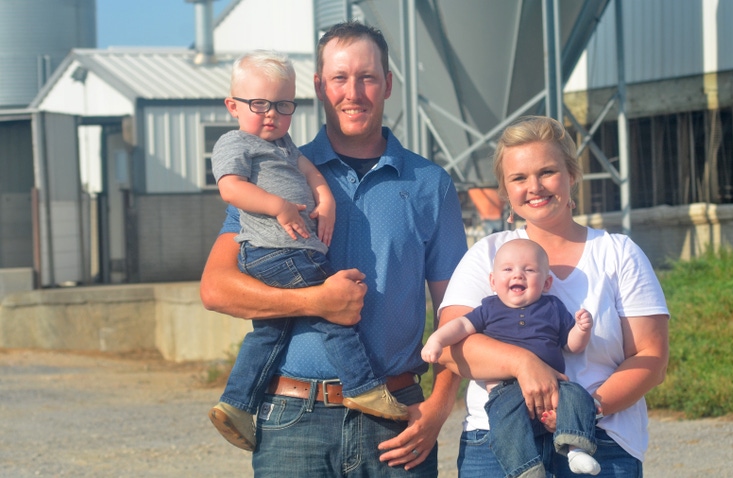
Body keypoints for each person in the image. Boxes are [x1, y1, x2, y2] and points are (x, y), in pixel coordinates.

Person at [199, 21, 468, 477]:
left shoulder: (430, 185)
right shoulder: (270, 172)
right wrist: (313, 301)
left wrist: (439, 406)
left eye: (367, 77)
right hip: (291, 418)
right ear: (320, 87)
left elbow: (457, 311)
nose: (354, 92)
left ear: (388, 85)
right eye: (340, 78)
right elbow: (216, 289)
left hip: (397, 417)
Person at [436, 116, 670, 477]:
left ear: (571, 176)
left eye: (547, 172)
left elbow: (651, 357)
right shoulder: (487, 254)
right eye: (519, 178)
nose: (535, 187)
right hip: (497, 440)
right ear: (506, 191)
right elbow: (452, 348)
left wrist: (583, 410)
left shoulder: (617, 253)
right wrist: (523, 364)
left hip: (599, 441)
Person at [207, 50, 409, 453]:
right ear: (233, 106)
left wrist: (325, 198)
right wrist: (276, 205)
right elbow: (230, 188)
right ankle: (363, 386)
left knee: (271, 331)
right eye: (258, 104)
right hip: (275, 249)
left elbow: (308, 169)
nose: (270, 114)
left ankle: (236, 403)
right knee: (333, 309)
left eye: (282, 106)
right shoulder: (235, 142)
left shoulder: (283, 145)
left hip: (289, 250)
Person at [422, 238, 601, 476]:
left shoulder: (553, 307)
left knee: (579, 396)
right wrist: (437, 340)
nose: (518, 275)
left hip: (554, 384)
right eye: (508, 269)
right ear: (493, 282)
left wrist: (582, 329)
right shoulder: (490, 308)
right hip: (505, 388)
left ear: (547, 282)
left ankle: (576, 450)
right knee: (506, 423)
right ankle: (526, 470)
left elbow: (572, 345)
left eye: (529, 270)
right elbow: (461, 326)